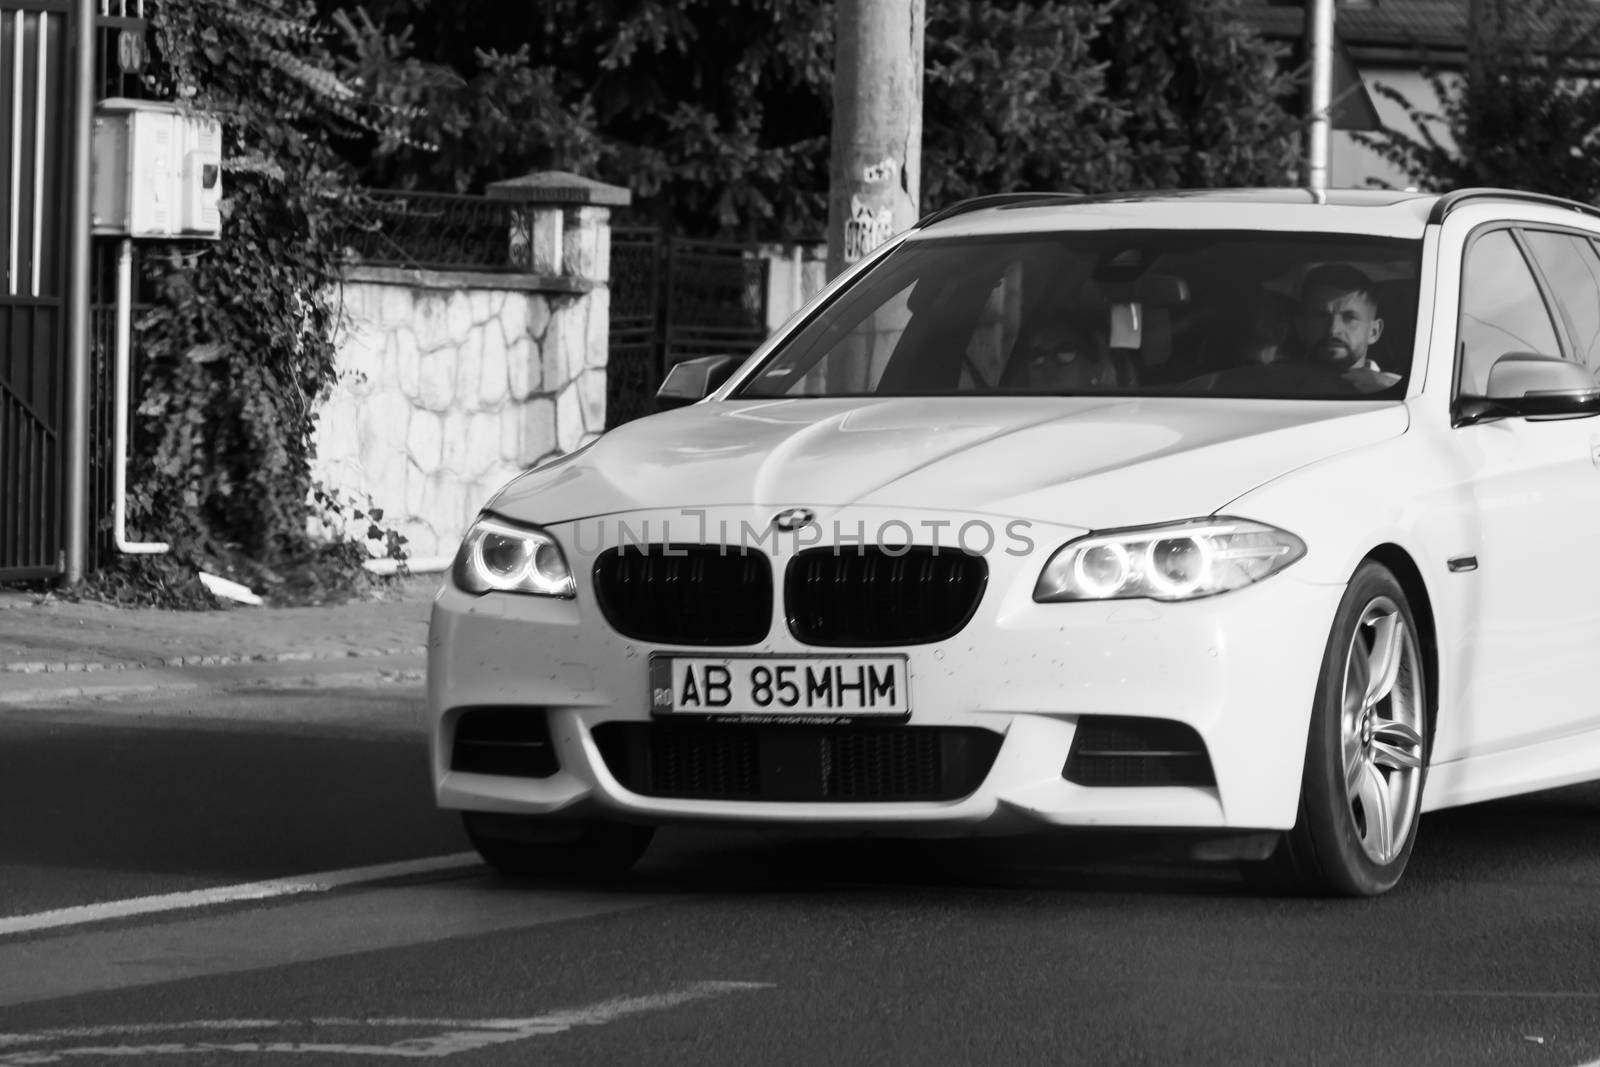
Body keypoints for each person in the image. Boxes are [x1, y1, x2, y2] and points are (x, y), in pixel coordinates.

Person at [1297, 264, 1400, 393]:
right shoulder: (1274, 385)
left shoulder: (1406, 390)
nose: (1333, 330)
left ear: (1373, 332)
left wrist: (1390, 387)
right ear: (1301, 327)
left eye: (1349, 318)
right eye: (1321, 316)